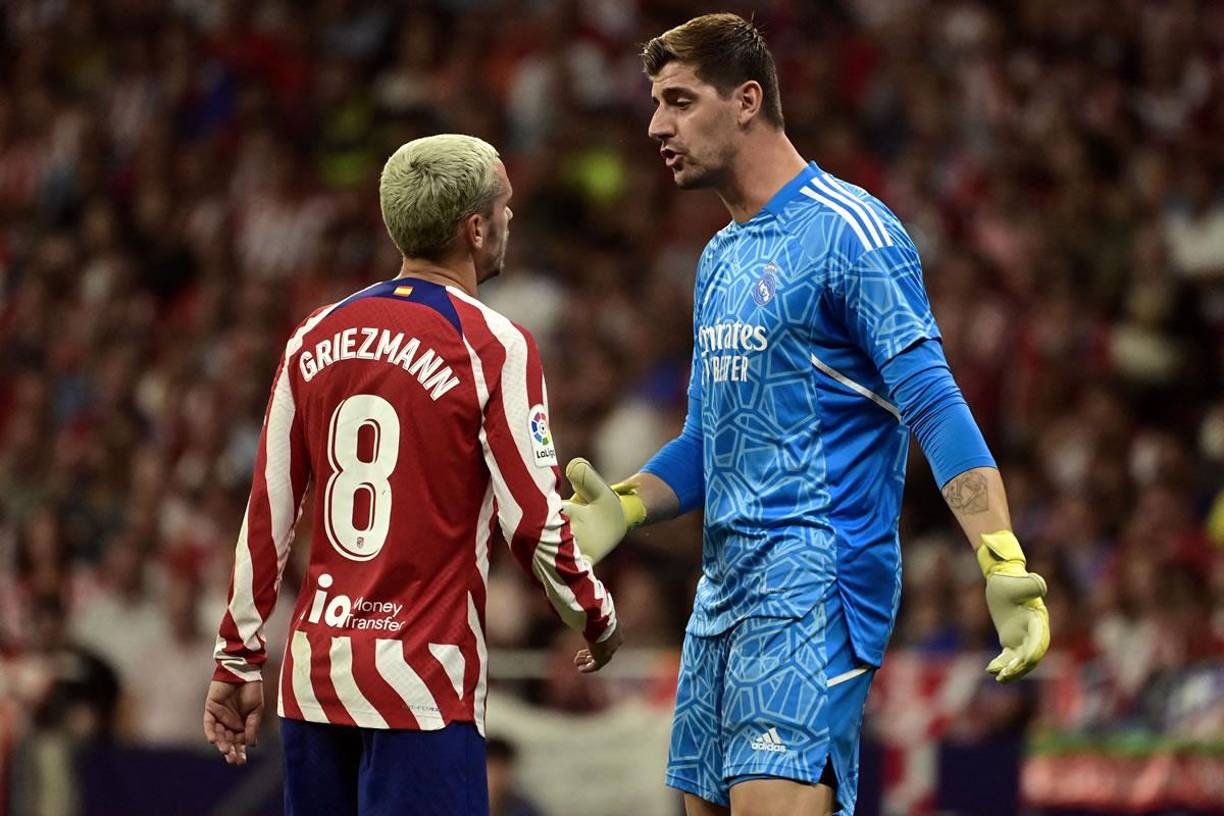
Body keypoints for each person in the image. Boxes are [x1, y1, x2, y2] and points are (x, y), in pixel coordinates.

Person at [561, 14, 1049, 816]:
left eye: (679, 100)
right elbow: (706, 443)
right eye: (657, 103)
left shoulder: (852, 232)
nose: (657, 124)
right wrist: (626, 505)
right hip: (722, 592)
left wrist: (999, 558)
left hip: (816, 581)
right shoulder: (719, 256)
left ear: (747, 100)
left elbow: (934, 403)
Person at [202, 134, 621, 816]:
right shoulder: (492, 344)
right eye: (505, 206)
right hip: (422, 688)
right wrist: (595, 615)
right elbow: (536, 522)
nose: (511, 219)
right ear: (475, 227)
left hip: (313, 687)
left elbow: (268, 514)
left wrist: (237, 661)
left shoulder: (313, 335)